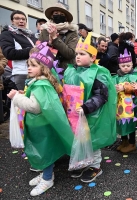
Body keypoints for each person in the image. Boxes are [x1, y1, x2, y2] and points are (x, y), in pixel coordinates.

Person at [7, 45, 74, 196]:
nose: (29, 68)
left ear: (43, 68)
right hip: (40, 125)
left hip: (42, 126)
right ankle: (46, 174)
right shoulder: (38, 82)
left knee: (45, 152)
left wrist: (16, 98)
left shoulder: (42, 85)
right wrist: (22, 95)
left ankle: (47, 178)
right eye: (28, 65)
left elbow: (35, 107)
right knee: (44, 151)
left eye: (33, 65)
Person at [64, 33, 117, 183]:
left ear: (93, 57)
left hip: (91, 114)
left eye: (82, 54)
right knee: (79, 140)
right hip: (74, 114)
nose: (78, 57)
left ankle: (95, 166)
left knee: (92, 141)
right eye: (76, 54)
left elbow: (102, 95)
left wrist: (87, 107)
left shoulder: (98, 73)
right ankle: (82, 163)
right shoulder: (71, 70)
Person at [0, 10, 37, 90]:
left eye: (23, 19)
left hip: (37, 72)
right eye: (17, 18)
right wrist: (30, 51)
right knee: (23, 100)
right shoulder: (7, 34)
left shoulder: (31, 35)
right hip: (22, 73)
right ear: (12, 21)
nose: (21, 21)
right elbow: (9, 53)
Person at [113, 48, 137, 153]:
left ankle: (132, 143)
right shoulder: (116, 77)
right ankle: (124, 141)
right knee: (121, 123)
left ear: (132, 65)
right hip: (120, 106)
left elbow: (136, 88)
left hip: (131, 106)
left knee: (130, 124)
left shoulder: (135, 76)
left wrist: (124, 88)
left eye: (128, 66)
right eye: (123, 66)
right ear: (119, 66)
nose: (125, 68)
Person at [39, 3, 78, 70]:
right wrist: (49, 43)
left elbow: (71, 54)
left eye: (62, 14)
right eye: (56, 13)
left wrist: (55, 38)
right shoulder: (45, 30)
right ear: (52, 15)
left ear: (65, 18)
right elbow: (37, 50)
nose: (59, 16)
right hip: (47, 70)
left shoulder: (72, 32)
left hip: (65, 71)